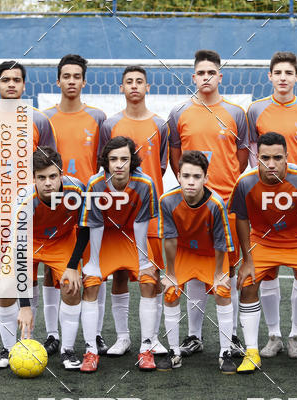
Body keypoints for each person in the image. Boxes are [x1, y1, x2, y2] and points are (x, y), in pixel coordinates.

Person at [0, 147, 100, 372]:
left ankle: (67, 350)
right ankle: (9, 350)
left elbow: (85, 228)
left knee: (71, 286)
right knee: (5, 287)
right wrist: (25, 306)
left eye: (52, 176)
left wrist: (72, 266)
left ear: (61, 174)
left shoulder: (77, 189)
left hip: (61, 241)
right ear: (33, 178)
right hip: (28, 243)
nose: (48, 183)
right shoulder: (24, 201)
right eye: (41, 178)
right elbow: (19, 253)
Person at [228, 132, 297, 376]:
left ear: (287, 157)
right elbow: (241, 218)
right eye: (265, 158)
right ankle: (252, 352)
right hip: (264, 241)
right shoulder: (245, 182)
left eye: (277, 158)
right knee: (247, 284)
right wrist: (247, 260)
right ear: (257, 157)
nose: (271, 164)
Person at [168, 49, 248, 357]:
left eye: (211, 73)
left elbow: (241, 157)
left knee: (229, 270)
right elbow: (176, 158)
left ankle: (233, 336)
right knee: (194, 269)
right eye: (201, 73)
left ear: (220, 76)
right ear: (193, 77)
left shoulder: (236, 113)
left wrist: (225, 185)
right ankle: (194, 336)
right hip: (193, 208)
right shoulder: (180, 113)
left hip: (227, 204)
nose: (206, 77)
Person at [0, 60, 57, 360]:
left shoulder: (39, 120)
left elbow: (47, 165)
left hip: (29, 214)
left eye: (17, 80)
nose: (11, 84)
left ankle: (25, 341)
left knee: (26, 277)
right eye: (5, 80)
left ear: (24, 85)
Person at [247, 51, 297, 359]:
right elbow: (253, 153)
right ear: (270, 76)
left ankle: (295, 336)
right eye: (277, 72)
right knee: (266, 272)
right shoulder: (255, 110)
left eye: (288, 73)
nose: (282, 77)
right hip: (265, 201)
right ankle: (274, 335)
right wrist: (266, 186)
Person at [71, 136, 160, 371]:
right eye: (113, 159)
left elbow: (141, 225)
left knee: (149, 280)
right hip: (104, 238)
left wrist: (144, 261)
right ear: (106, 162)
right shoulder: (95, 183)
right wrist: (93, 262)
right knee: (91, 283)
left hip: (131, 236)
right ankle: (91, 351)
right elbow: (95, 225)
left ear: (132, 161)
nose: (119, 164)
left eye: (124, 159)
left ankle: (146, 348)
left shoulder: (145, 183)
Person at [98, 66, 168, 357]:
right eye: (129, 81)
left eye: (140, 81)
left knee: (153, 275)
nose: (135, 86)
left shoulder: (160, 124)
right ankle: (123, 337)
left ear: (148, 87)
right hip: (118, 216)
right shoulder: (110, 124)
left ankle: (151, 339)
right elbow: (104, 166)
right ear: (121, 87)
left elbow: (161, 165)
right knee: (120, 276)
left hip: (150, 214)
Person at [43, 54, 108, 356]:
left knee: (94, 270)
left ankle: (95, 334)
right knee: (51, 271)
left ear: (84, 81)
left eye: (76, 76)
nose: (71, 81)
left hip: (88, 206)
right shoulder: (45, 118)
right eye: (66, 76)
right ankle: (52, 334)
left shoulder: (98, 118)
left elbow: (103, 163)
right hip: (55, 207)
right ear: (58, 81)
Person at [158, 150, 236, 374]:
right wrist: (170, 273)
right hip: (184, 252)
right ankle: (174, 352)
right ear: (178, 177)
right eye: (186, 176)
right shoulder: (167, 200)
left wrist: (219, 274)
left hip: (211, 254)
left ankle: (225, 352)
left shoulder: (215, 204)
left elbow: (221, 243)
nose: (191, 182)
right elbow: (170, 239)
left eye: (196, 176)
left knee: (222, 290)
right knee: (171, 291)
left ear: (206, 178)